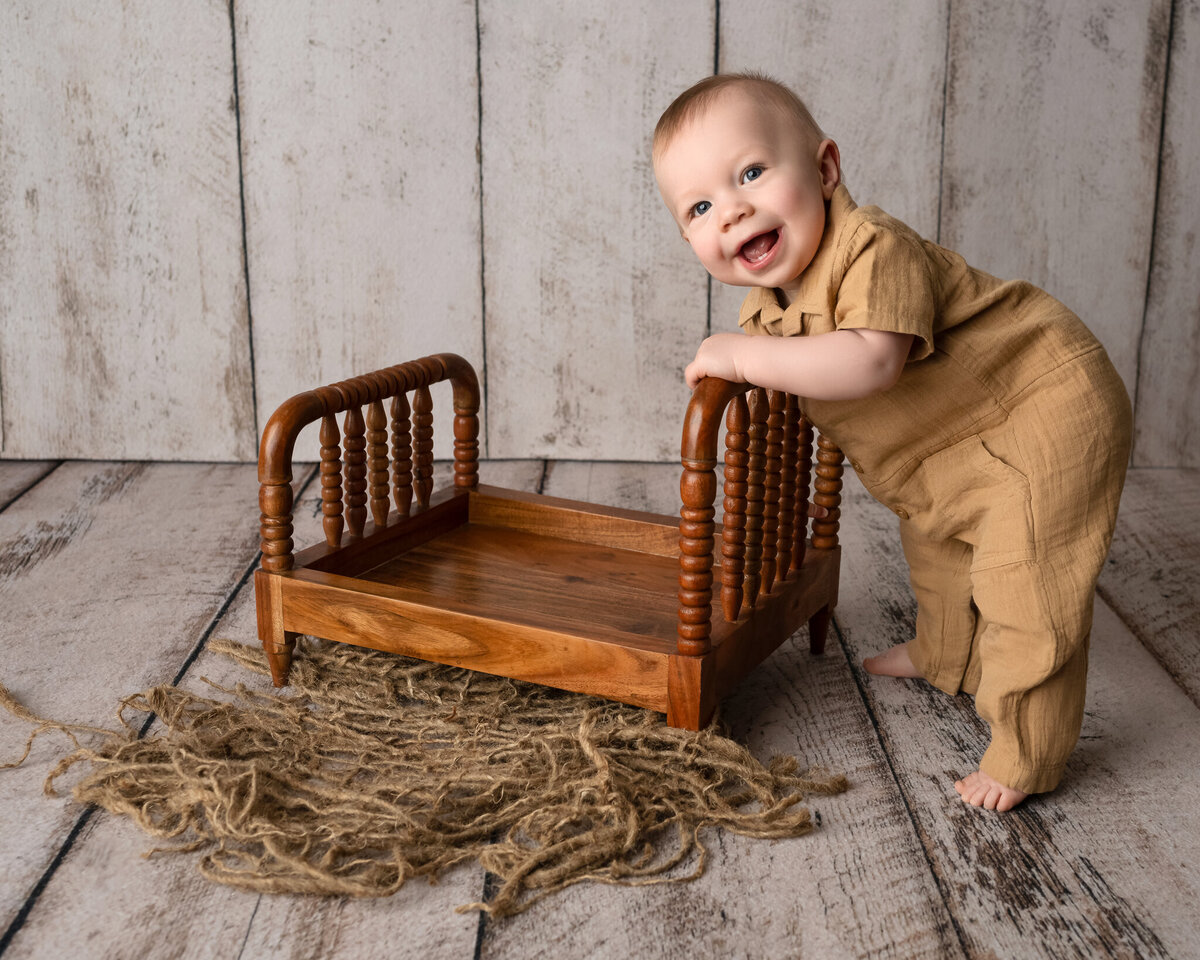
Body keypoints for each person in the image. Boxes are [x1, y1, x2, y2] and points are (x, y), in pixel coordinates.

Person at [652, 72, 1131, 812]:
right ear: (690, 237)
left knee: (1023, 582)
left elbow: (871, 360)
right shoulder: (765, 315)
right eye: (701, 206)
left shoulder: (874, 246)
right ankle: (946, 655)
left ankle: (1027, 752)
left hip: (1043, 403)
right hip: (944, 450)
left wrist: (740, 360)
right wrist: (745, 363)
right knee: (938, 549)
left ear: (824, 168)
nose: (734, 208)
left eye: (751, 172)